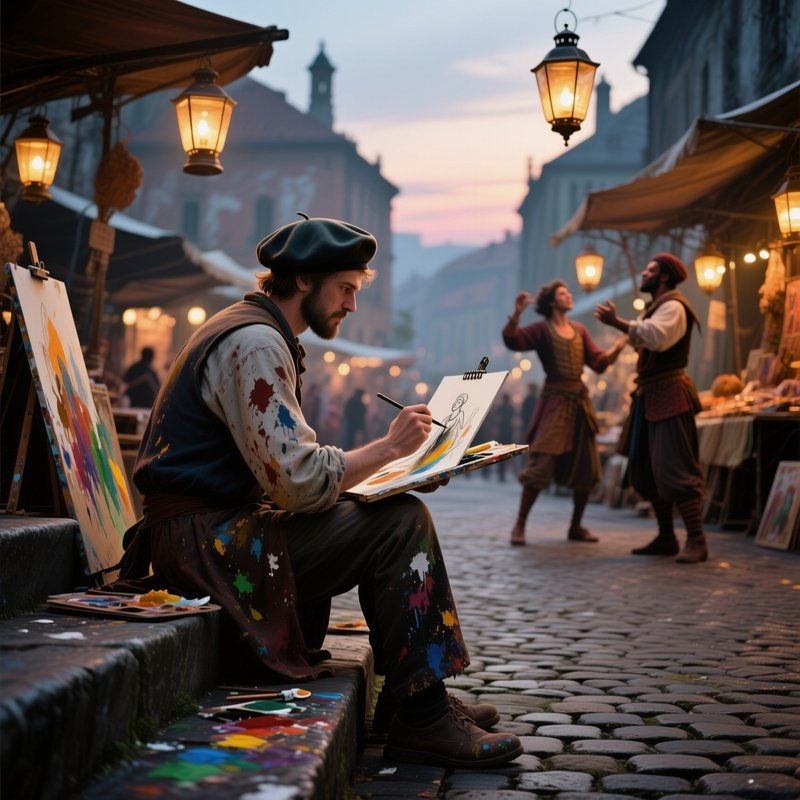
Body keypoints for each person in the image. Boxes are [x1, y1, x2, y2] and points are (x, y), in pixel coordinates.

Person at [114, 214, 522, 769]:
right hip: (203, 545)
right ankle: (422, 718)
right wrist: (389, 450)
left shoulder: (255, 331)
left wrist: (399, 472)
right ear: (304, 279)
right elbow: (299, 484)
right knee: (400, 522)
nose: (352, 305)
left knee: (390, 509)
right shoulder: (255, 341)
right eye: (346, 289)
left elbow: (286, 473)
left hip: (210, 534)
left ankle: (414, 700)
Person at [594, 252, 708, 564]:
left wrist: (617, 322)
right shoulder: (656, 308)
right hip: (649, 395)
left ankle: (697, 540)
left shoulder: (673, 306)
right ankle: (667, 536)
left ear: (665, 277)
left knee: (675, 468)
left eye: (651, 270)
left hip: (669, 394)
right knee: (646, 468)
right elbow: (644, 337)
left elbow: (655, 338)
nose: (644, 273)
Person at [503, 280, 626, 546]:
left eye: (568, 292)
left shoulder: (579, 330)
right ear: (551, 302)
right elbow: (512, 340)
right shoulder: (541, 329)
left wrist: (620, 344)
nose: (569, 295)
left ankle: (576, 526)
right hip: (555, 402)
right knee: (541, 462)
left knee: (587, 465)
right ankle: (520, 525)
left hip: (580, 403)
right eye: (563, 293)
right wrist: (516, 313)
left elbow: (599, 363)